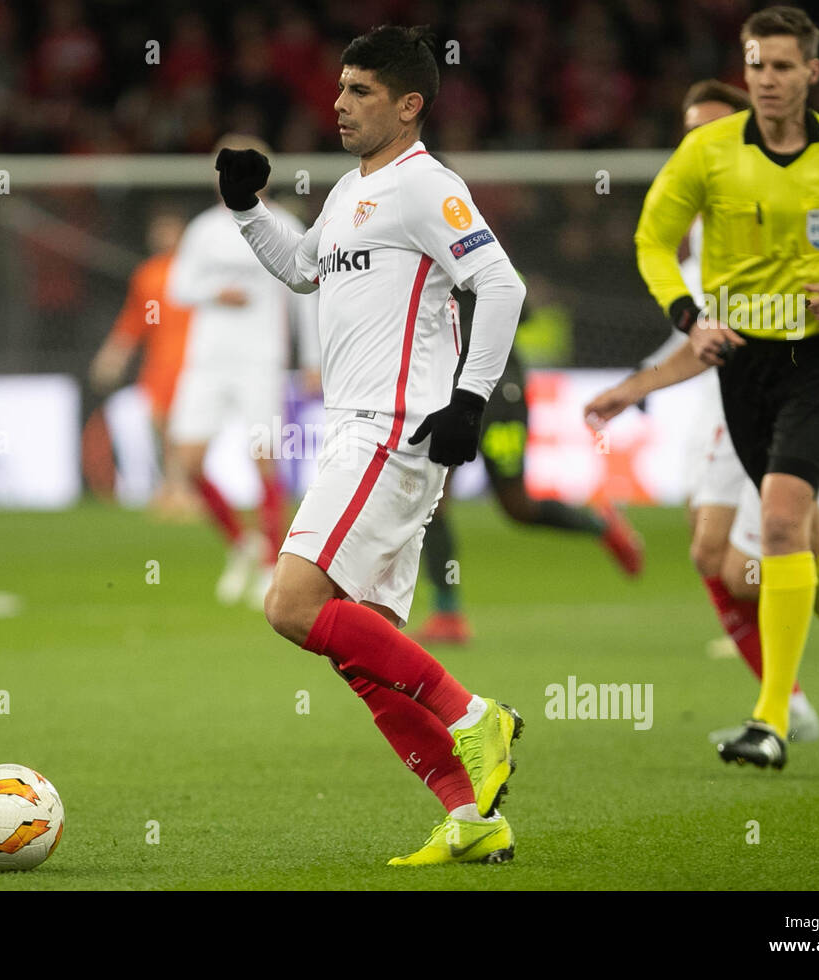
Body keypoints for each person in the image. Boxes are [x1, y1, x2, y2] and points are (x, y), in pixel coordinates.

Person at [220, 25, 527, 864]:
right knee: (366, 654)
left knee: (290, 606)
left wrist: (472, 399)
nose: (340, 103)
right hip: (360, 428)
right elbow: (304, 269)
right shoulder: (357, 189)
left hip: (395, 426)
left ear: (409, 104)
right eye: (341, 88)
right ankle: (473, 819)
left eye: (360, 91)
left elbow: (501, 283)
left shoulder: (428, 186)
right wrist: (249, 210)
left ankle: (475, 717)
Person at [593, 80, 819, 745]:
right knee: (724, 553)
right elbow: (701, 334)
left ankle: (800, 690)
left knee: (761, 552)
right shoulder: (700, 221)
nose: (700, 143)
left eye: (713, 129)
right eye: (689, 131)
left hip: (806, 384)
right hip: (733, 391)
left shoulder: (786, 199)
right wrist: (639, 382)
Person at [411, 283, 645, 647]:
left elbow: (522, 305)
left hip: (497, 394)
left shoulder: (478, 256)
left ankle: (600, 524)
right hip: (458, 393)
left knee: (513, 506)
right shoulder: (431, 261)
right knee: (438, 501)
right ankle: (447, 613)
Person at [165, 134, 320, 607]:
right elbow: (177, 287)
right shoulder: (205, 229)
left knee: (264, 460)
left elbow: (306, 297)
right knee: (188, 463)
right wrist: (217, 294)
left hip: (260, 361)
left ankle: (273, 562)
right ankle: (242, 542)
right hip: (208, 362)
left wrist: (313, 358)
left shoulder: (285, 225)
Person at [89, 207, 200, 520]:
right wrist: (113, 355)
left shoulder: (195, 270)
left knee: (185, 429)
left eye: (170, 231)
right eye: (159, 232)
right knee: (161, 425)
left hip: (193, 361)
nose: (164, 238)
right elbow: (133, 321)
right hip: (159, 363)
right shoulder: (147, 274)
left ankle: (185, 490)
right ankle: (172, 486)